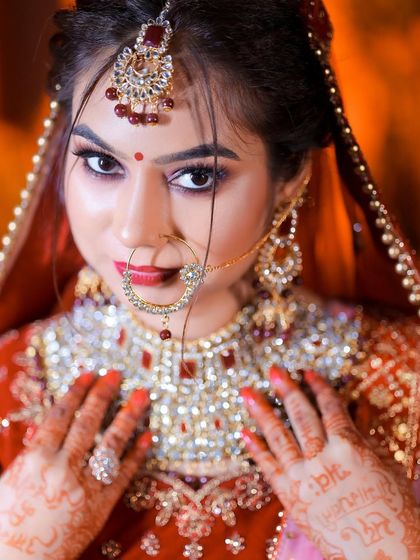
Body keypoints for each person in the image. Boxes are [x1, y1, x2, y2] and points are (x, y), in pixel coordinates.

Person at [0, 0, 419, 558]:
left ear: (290, 179)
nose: (134, 229)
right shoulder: (10, 383)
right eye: (103, 164)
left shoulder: (404, 385)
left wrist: (392, 545)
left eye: (195, 176)